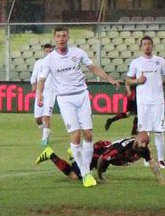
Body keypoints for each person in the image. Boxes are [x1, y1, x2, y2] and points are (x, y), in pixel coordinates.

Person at [36, 26, 120, 188]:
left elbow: (92, 67)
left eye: (64, 36)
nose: (61, 38)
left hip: (82, 96)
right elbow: (41, 79)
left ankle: (86, 169)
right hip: (65, 100)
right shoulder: (49, 60)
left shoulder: (77, 53)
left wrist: (108, 78)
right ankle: (86, 174)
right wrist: (39, 93)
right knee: (75, 136)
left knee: (88, 134)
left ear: (68, 37)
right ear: (55, 39)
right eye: (58, 36)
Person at [35, 131, 165, 183]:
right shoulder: (121, 149)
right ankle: (50, 154)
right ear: (136, 139)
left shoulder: (143, 149)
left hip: (106, 151)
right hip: (98, 152)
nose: (143, 145)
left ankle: (74, 152)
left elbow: (152, 163)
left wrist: (160, 179)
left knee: (85, 172)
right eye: (142, 142)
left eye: (145, 144)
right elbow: (103, 158)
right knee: (75, 176)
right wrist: (101, 176)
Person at [126, 35, 165, 169]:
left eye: (149, 44)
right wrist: (137, 81)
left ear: (152, 46)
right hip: (143, 102)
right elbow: (128, 80)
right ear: (141, 47)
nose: (147, 46)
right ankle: (147, 158)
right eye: (144, 44)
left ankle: (162, 160)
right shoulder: (136, 63)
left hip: (158, 101)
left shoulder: (160, 61)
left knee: (159, 131)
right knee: (144, 132)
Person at [31, 43, 56, 145]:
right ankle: (45, 130)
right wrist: (33, 83)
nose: (49, 53)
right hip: (40, 93)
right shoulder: (39, 63)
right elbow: (34, 75)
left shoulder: (56, 64)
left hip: (51, 93)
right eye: (47, 51)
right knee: (38, 119)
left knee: (46, 116)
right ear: (44, 52)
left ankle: (45, 138)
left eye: (50, 51)